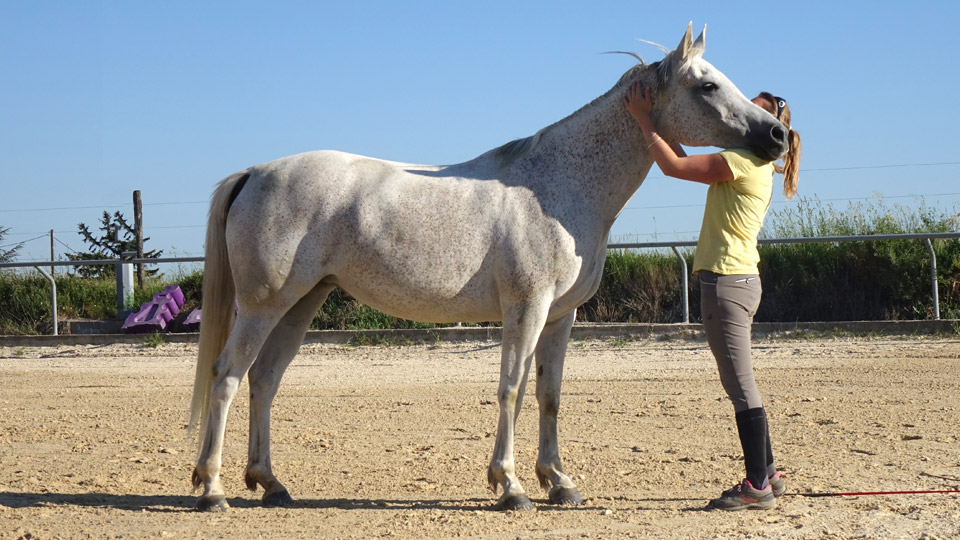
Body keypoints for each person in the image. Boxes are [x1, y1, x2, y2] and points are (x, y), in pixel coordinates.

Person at [624, 81, 802, 511]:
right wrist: (664, 125)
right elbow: (685, 160)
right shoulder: (749, 162)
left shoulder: (745, 161)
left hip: (726, 284)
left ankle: (758, 485)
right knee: (744, 383)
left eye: (750, 109)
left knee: (740, 387)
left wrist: (644, 121)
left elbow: (672, 169)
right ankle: (770, 473)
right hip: (738, 281)